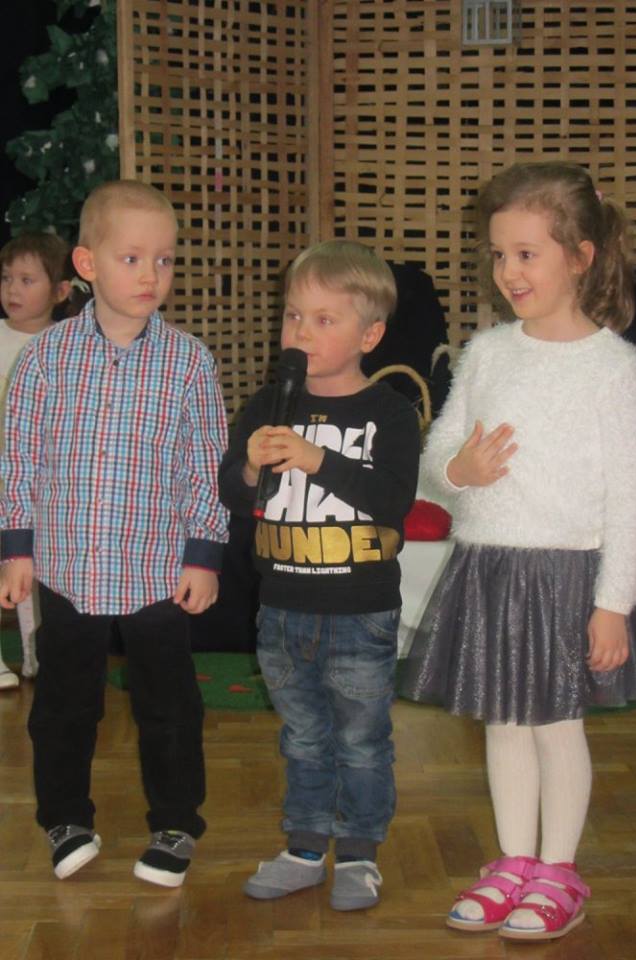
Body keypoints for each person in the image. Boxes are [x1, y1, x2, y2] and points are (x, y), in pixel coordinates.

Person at [400, 162, 636, 941]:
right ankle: (512, 862)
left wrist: (612, 603)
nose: (508, 271)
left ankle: (557, 871)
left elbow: (629, 499)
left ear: (581, 256)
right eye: (499, 254)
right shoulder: (487, 352)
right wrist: (456, 473)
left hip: (567, 573)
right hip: (489, 566)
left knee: (554, 725)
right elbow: (435, 459)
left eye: (527, 254)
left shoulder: (614, 369)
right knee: (502, 721)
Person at [0, 180, 229, 886]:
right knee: (63, 706)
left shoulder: (189, 361)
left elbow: (204, 465)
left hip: (157, 572)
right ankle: (65, 818)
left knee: (170, 707)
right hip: (67, 570)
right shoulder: (45, 359)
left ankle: (175, 821)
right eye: (131, 258)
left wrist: (204, 554)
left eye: (164, 260)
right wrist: (15, 548)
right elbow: (19, 459)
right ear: (87, 264)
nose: (150, 275)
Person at [219, 241, 421, 911]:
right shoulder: (267, 404)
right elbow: (231, 495)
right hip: (282, 608)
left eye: (323, 320)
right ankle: (305, 848)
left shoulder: (388, 412)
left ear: (369, 335)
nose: (301, 333)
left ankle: (359, 853)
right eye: (293, 316)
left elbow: (392, 500)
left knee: (361, 740)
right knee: (302, 737)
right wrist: (251, 467)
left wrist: (316, 459)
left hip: (360, 611)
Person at [0, 232, 72, 689]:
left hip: (42, 483)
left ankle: (36, 656)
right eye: (7, 278)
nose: (12, 289)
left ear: (61, 290)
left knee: (36, 570)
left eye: (27, 280)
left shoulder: (64, 347)